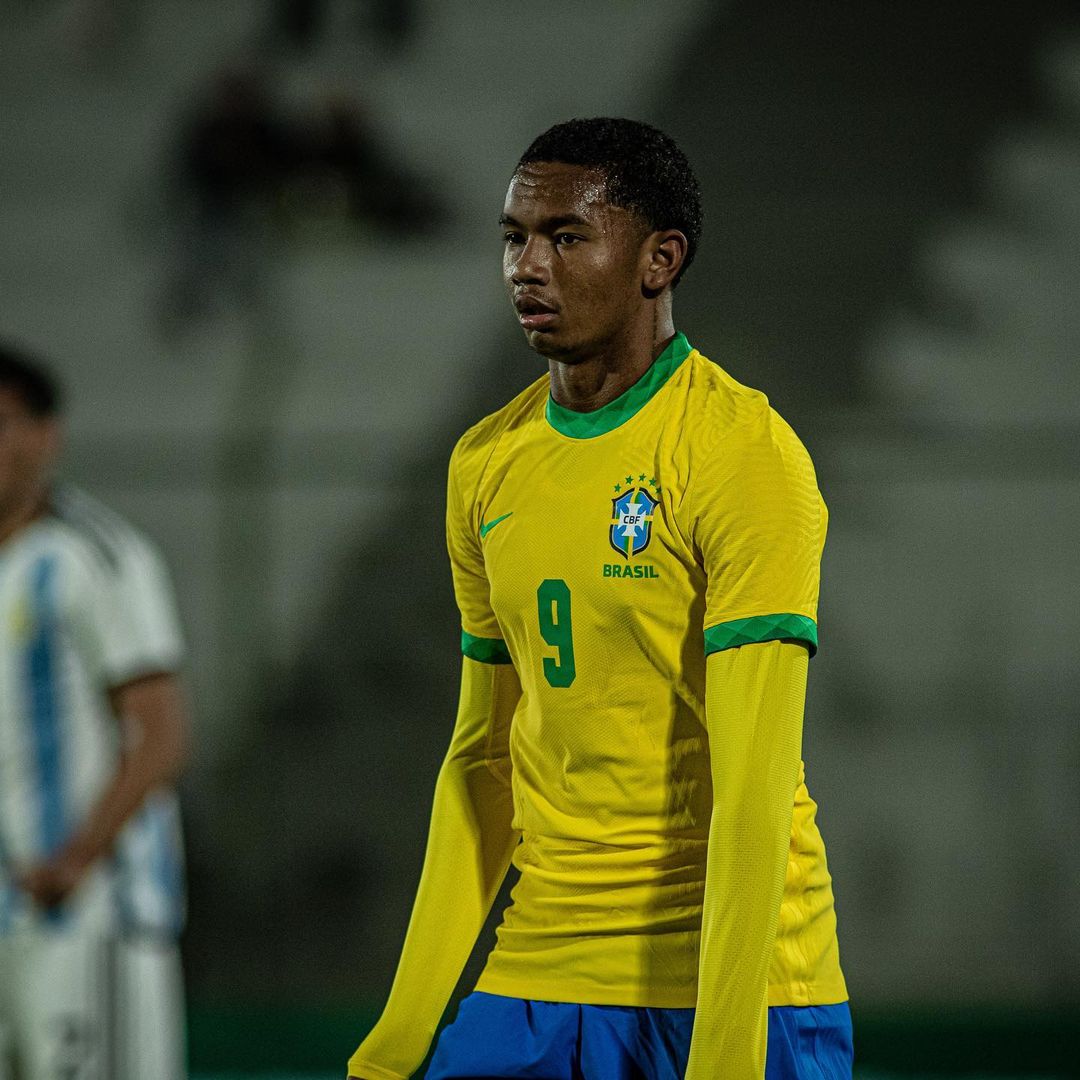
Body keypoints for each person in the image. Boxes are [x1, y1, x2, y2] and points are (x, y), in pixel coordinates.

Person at [347, 117, 851, 1080]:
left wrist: (726, 1061)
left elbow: (753, 787)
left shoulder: (741, 454)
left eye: (566, 236)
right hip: (536, 971)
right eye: (513, 238)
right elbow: (482, 761)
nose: (526, 267)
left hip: (727, 991)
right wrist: (396, 1042)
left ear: (661, 259)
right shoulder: (484, 465)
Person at [0, 344, 189, 1080]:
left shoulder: (97, 556)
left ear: (47, 435)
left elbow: (160, 732)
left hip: (87, 915)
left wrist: (73, 860)